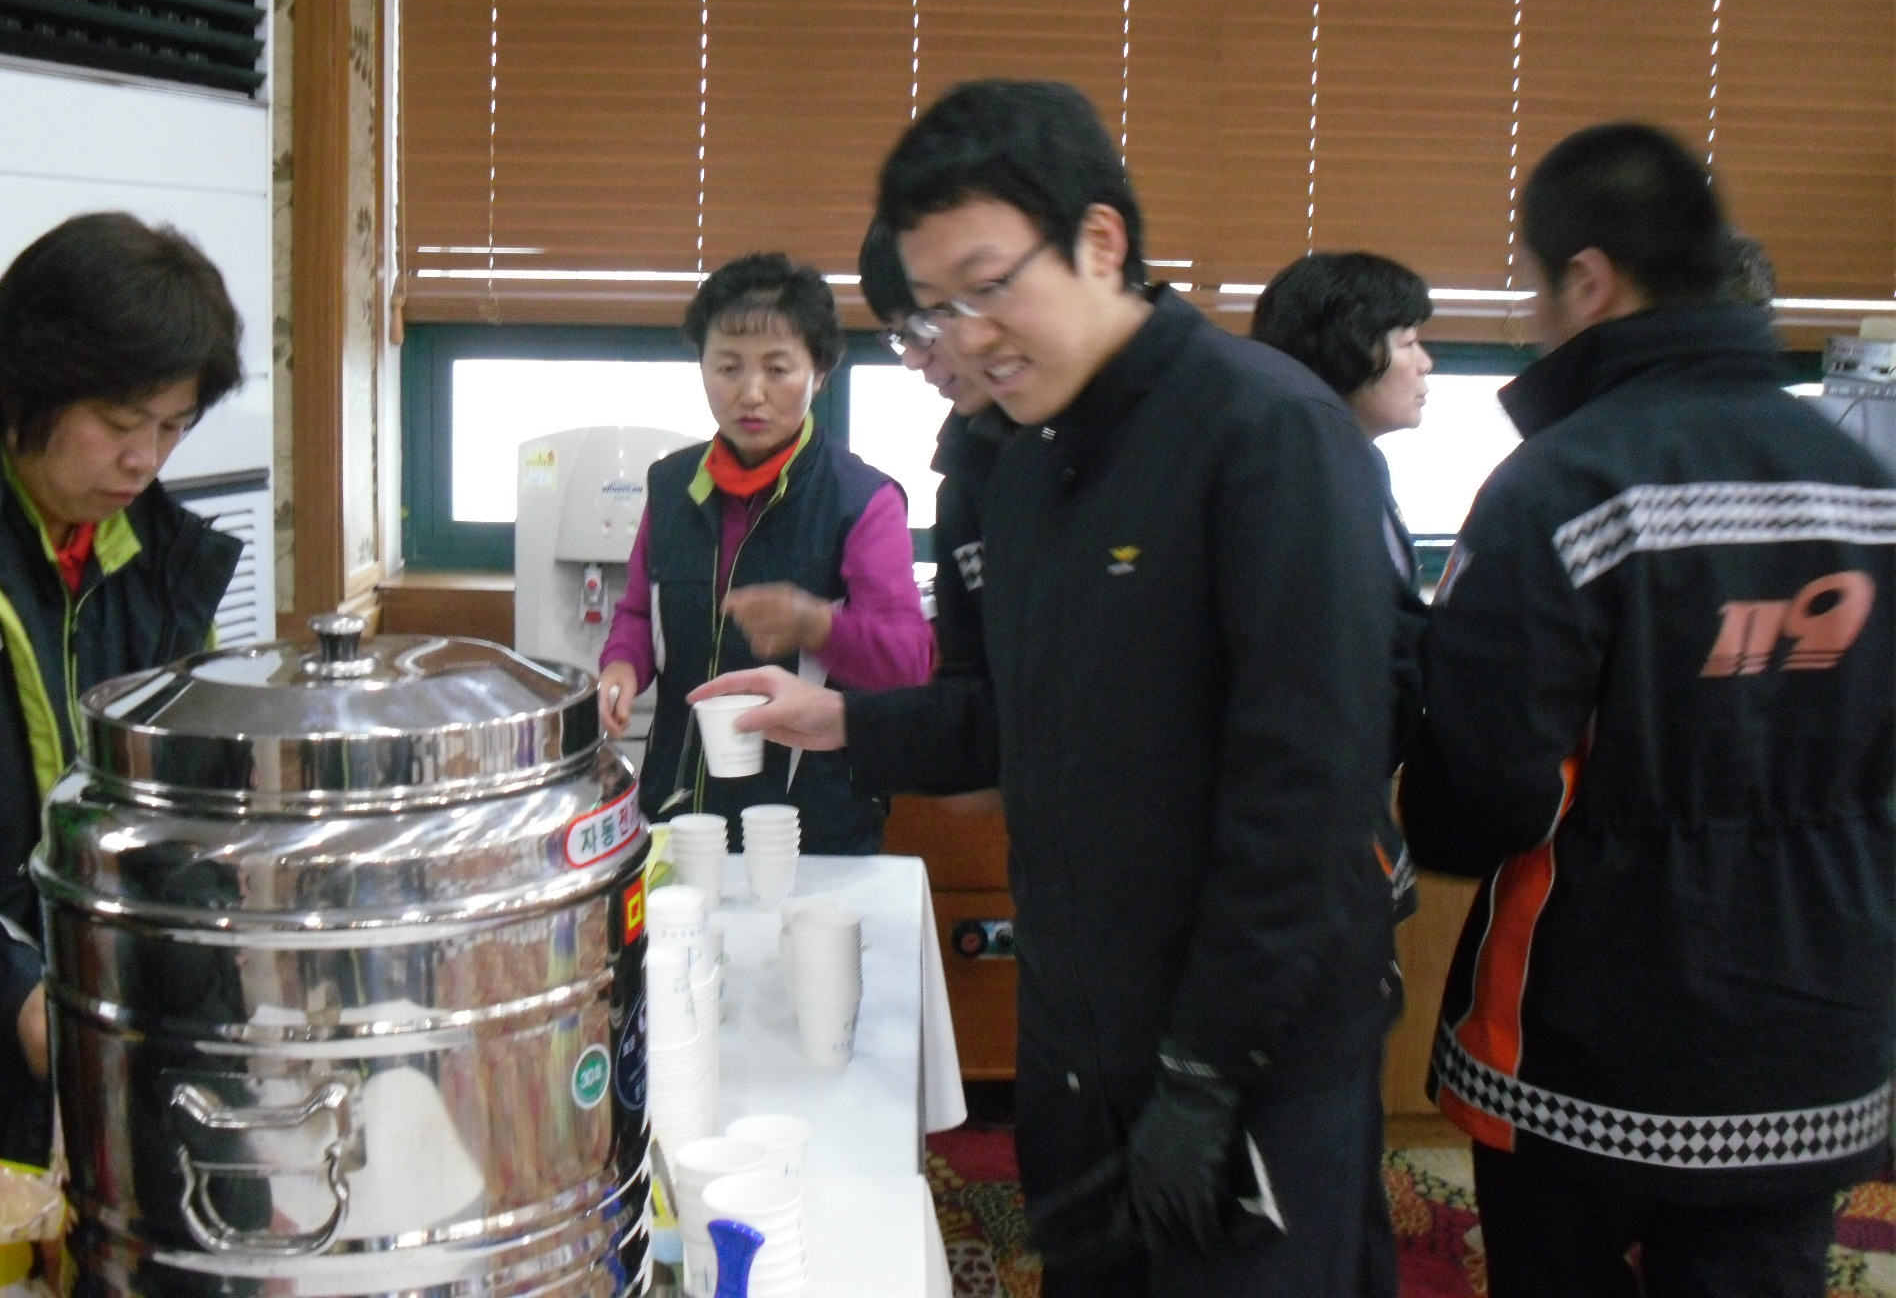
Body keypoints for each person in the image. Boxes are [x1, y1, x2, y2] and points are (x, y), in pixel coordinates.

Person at [694, 81, 1404, 1295]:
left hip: (1247, 1050)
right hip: (1079, 1029)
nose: (963, 338)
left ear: (1099, 242)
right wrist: (840, 719)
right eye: (932, 310)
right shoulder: (1021, 470)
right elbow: (1013, 722)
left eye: (986, 286)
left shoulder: (1265, 433)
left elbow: (1305, 802)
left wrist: (1205, 1073)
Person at [1400, 123, 1895, 1296]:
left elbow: (1483, 795)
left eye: (1535, 290)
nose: (1529, 323)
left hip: (1591, 1027)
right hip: (1815, 1021)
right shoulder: (1869, 488)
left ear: (1587, 279)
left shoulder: (1561, 487)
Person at [0, 212, 247, 1177]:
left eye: (173, 426)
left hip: (101, 1067)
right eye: (120, 423)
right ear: (24, 385)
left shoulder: (155, 566)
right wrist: (16, 991)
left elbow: (181, 804)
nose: (146, 460)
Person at [596, 252, 933, 853]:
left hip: (813, 825)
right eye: (728, 367)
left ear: (819, 373)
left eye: (778, 369)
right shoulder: (672, 486)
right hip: (679, 811)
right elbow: (640, 612)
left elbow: (909, 663)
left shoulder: (862, 500)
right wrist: (622, 665)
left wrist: (816, 625)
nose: (751, 394)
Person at [1250, 249, 1435, 1297]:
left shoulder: (1347, 462)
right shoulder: (1317, 467)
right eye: (1406, 339)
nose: (1424, 362)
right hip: (1318, 858)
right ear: (1349, 345)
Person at [857, 218, 1013, 689]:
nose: (911, 358)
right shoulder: (964, 483)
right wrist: (841, 718)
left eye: (921, 327)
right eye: (900, 336)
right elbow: (969, 684)